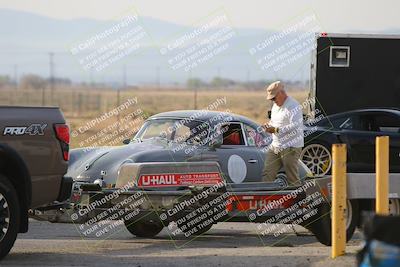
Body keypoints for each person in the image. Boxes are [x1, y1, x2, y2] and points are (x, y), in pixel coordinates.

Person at [262, 81, 304, 186]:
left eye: (274, 98)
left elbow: (295, 126)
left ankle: (298, 201)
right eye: (271, 99)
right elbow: (274, 121)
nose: (273, 101)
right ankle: (265, 200)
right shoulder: (275, 106)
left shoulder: (294, 106)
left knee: (292, 178)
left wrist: (276, 130)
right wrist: (268, 125)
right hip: (275, 146)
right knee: (267, 173)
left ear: (280, 93)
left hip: (290, 147)